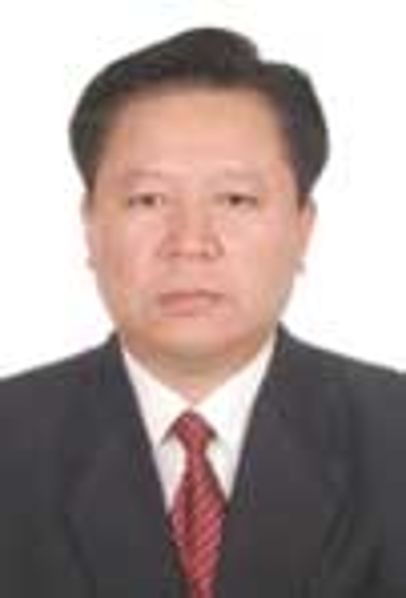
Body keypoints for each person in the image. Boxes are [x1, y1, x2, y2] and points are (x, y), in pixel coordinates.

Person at [0, 26, 405, 598]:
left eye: (236, 199)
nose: (190, 242)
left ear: (303, 227)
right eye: (148, 200)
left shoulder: (392, 435)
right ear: (90, 226)